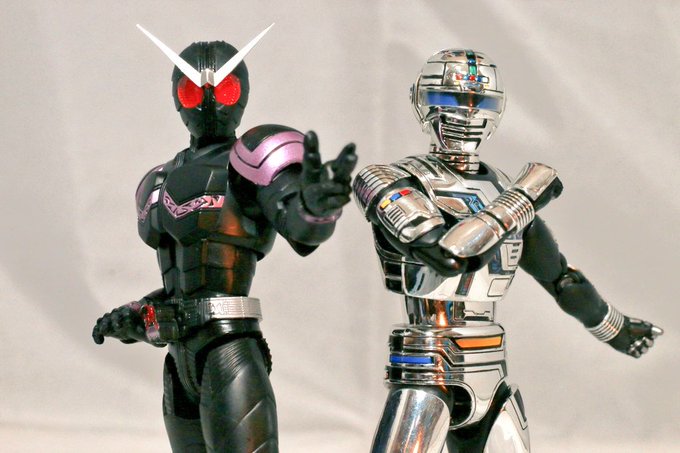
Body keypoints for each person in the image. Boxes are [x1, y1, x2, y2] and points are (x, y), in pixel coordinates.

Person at [352, 49, 661, 453]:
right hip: (427, 366)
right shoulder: (387, 179)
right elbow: (447, 256)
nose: (467, 113)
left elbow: (559, 277)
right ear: (419, 101)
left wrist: (615, 327)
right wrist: (522, 198)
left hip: (491, 368)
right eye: (449, 99)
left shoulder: (501, 189)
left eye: (481, 102)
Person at [92, 25, 356, 453]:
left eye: (225, 89)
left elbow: (298, 223)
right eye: (193, 92)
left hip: (228, 350)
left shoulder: (252, 156)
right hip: (178, 361)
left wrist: (315, 206)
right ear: (178, 98)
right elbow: (182, 285)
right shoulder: (157, 181)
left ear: (242, 93)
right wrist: (139, 316)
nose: (210, 101)